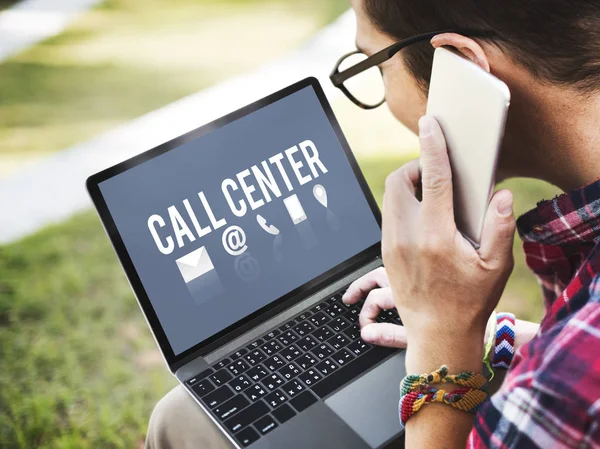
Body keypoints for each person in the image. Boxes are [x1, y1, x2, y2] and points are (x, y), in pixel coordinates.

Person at [146, 0, 600, 447]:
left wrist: (441, 340)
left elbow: (567, 377)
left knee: (177, 421)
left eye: (374, 65)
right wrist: (486, 335)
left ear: (463, 69)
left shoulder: (566, 394)